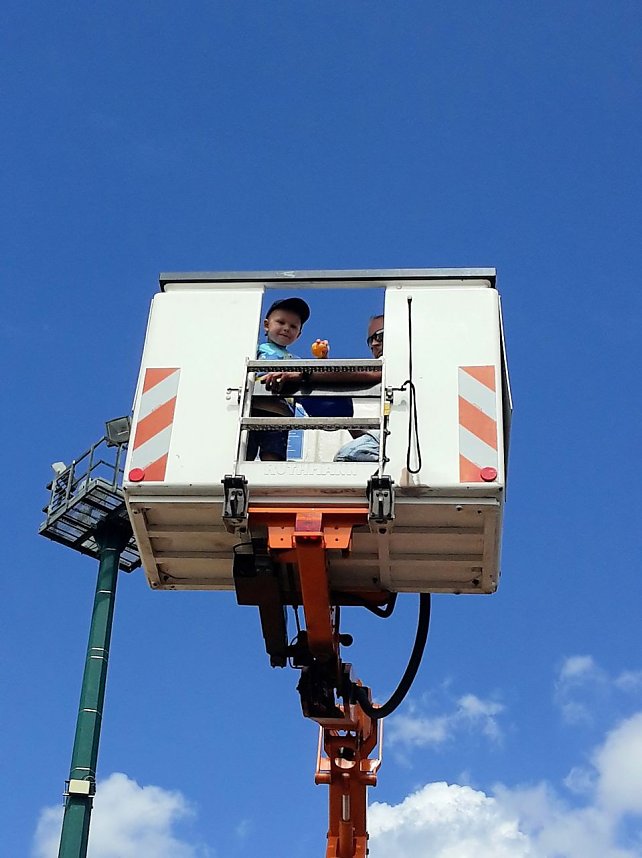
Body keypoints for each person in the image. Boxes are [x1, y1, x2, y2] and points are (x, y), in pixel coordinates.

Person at [246, 297, 310, 461]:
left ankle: (266, 485)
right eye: (281, 322)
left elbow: (311, 375)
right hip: (253, 407)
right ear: (266, 325)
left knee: (273, 455)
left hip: (280, 413)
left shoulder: (297, 360)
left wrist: (322, 358)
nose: (286, 328)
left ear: (299, 334)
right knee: (245, 450)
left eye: (293, 326)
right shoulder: (255, 349)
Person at [333, 315, 383, 462]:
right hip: (399, 436)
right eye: (370, 340)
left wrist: (306, 375)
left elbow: (369, 374)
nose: (374, 344)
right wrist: (348, 422)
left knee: (346, 456)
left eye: (380, 336)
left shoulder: (398, 359)